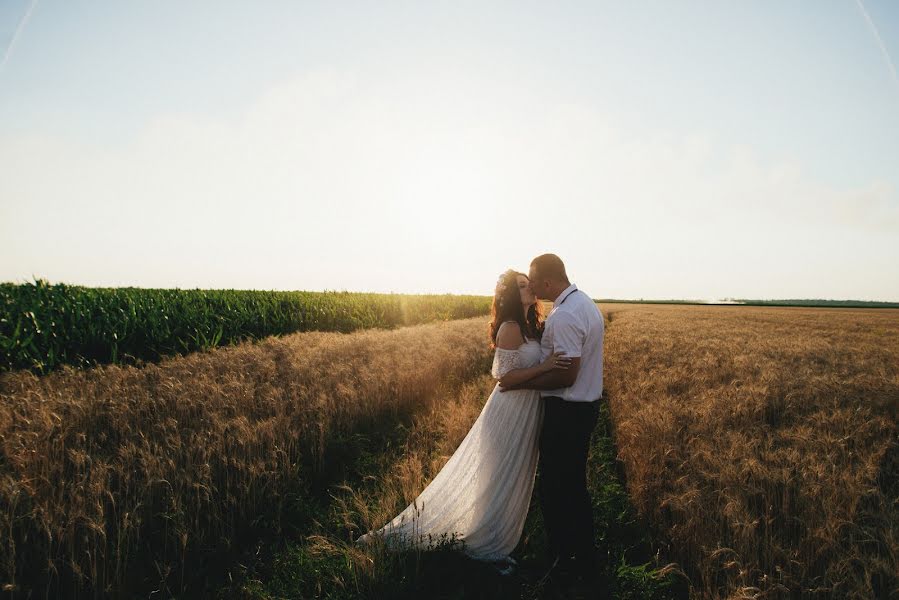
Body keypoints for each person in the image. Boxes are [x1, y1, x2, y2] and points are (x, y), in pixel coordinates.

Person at [354, 269, 570, 572]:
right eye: (522, 285)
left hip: (528, 409)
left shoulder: (532, 325)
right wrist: (545, 366)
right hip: (509, 409)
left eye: (529, 283)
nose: (530, 288)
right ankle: (486, 540)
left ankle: (496, 531)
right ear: (510, 294)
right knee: (497, 474)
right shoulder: (510, 327)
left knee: (513, 473)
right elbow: (503, 377)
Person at [501, 253, 604, 581]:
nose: (529, 286)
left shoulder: (564, 315)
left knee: (556, 487)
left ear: (547, 282)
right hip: (582, 409)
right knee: (572, 484)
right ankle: (582, 553)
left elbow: (566, 375)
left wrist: (525, 382)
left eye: (532, 280)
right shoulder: (583, 303)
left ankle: (565, 556)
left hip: (567, 411)